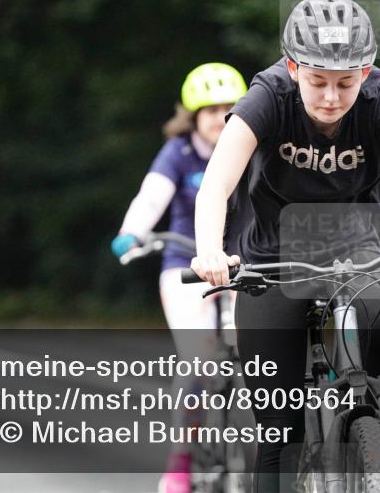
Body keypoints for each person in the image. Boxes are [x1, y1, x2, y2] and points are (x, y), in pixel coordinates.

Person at [189, 0, 380, 492]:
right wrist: (210, 250)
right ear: (293, 67)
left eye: (345, 83)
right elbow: (216, 185)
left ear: (367, 70)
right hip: (275, 260)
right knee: (279, 434)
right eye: (317, 82)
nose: (332, 97)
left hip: (363, 249)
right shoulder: (267, 95)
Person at [111, 62, 248, 493]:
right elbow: (152, 196)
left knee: (262, 351)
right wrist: (131, 234)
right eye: (210, 110)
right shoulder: (179, 153)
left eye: (229, 109)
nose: (219, 118)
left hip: (243, 264)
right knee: (200, 360)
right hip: (186, 267)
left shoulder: (249, 147)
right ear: (192, 116)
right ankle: (180, 464)